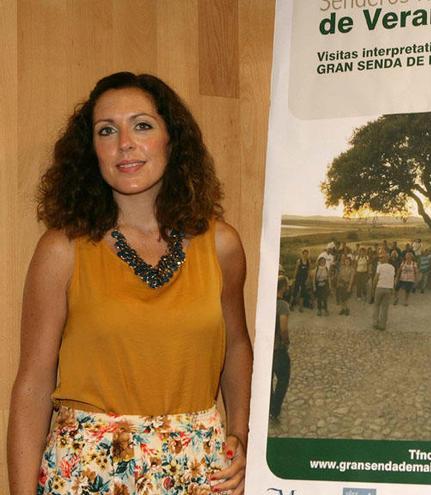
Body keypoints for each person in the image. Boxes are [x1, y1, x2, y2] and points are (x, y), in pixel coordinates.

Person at [7, 72, 252, 494]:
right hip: (87, 472)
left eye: (142, 125)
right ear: (92, 151)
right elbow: (33, 382)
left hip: (197, 468)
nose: (125, 143)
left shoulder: (221, 245)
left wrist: (240, 435)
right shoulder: (63, 250)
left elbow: (236, 345)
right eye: (107, 131)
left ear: (171, 139)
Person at [271, 277, 291, 421]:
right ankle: (275, 409)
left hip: (267, 349)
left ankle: (269, 405)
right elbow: (283, 328)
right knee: (283, 379)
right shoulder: (283, 305)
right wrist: (287, 341)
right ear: (283, 287)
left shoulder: (267, 301)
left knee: (268, 379)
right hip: (278, 348)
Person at [372, 250, 396, 330]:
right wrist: (393, 290)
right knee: (385, 308)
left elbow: (376, 278)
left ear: (385, 258)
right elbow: (392, 279)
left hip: (380, 287)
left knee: (376, 306)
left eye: (381, 257)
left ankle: (375, 322)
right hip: (388, 288)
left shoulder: (380, 266)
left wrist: (373, 287)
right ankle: (383, 325)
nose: (380, 259)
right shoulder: (392, 267)